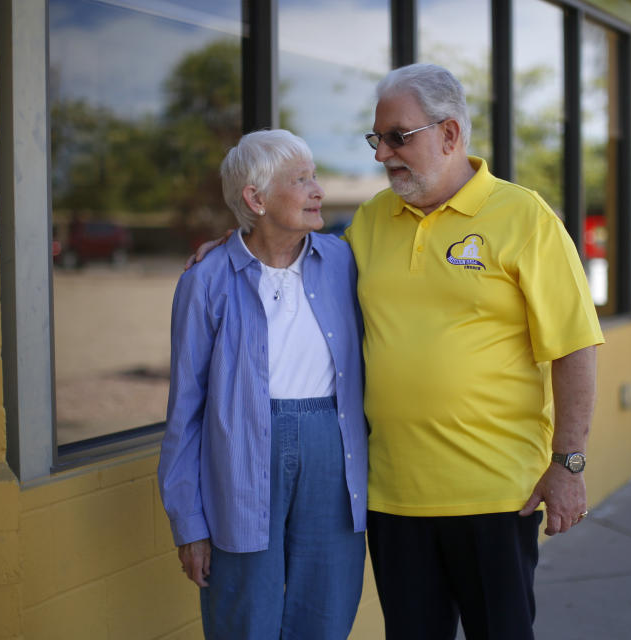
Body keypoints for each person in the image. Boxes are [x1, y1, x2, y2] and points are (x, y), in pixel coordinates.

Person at [190, 64, 604, 640]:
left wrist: (569, 464)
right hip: (391, 499)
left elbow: (575, 346)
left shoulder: (525, 217)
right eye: (376, 139)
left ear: (450, 134)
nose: (383, 155)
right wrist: (234, 242)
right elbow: (289, 248)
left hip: (495, 495)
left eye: (397, 137)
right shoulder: (370, 221)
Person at [158, 129, 368, 640]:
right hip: (240, 461)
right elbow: (185, 411)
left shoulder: (344, 260)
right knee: (243, 615)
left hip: (333, 452)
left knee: (325, 608)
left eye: (314, 176)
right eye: (302, 180)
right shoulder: (206, 280)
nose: (318, 189)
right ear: (256, 198)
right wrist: (190, 524)